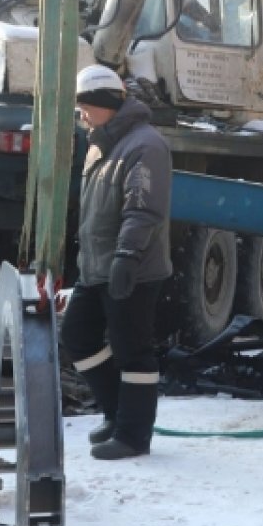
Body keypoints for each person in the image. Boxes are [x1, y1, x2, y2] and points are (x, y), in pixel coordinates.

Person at [61, 64, 173, 460]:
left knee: (133, 351)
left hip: (133, 268)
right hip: (98, 267)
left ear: (106, 104)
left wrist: (127, 255)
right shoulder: (99, 144)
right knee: (76, 336)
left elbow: (143, 210)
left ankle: (133, 436)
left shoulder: (145, 146)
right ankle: (115, 413)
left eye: (85, 106)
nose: (81, 115)